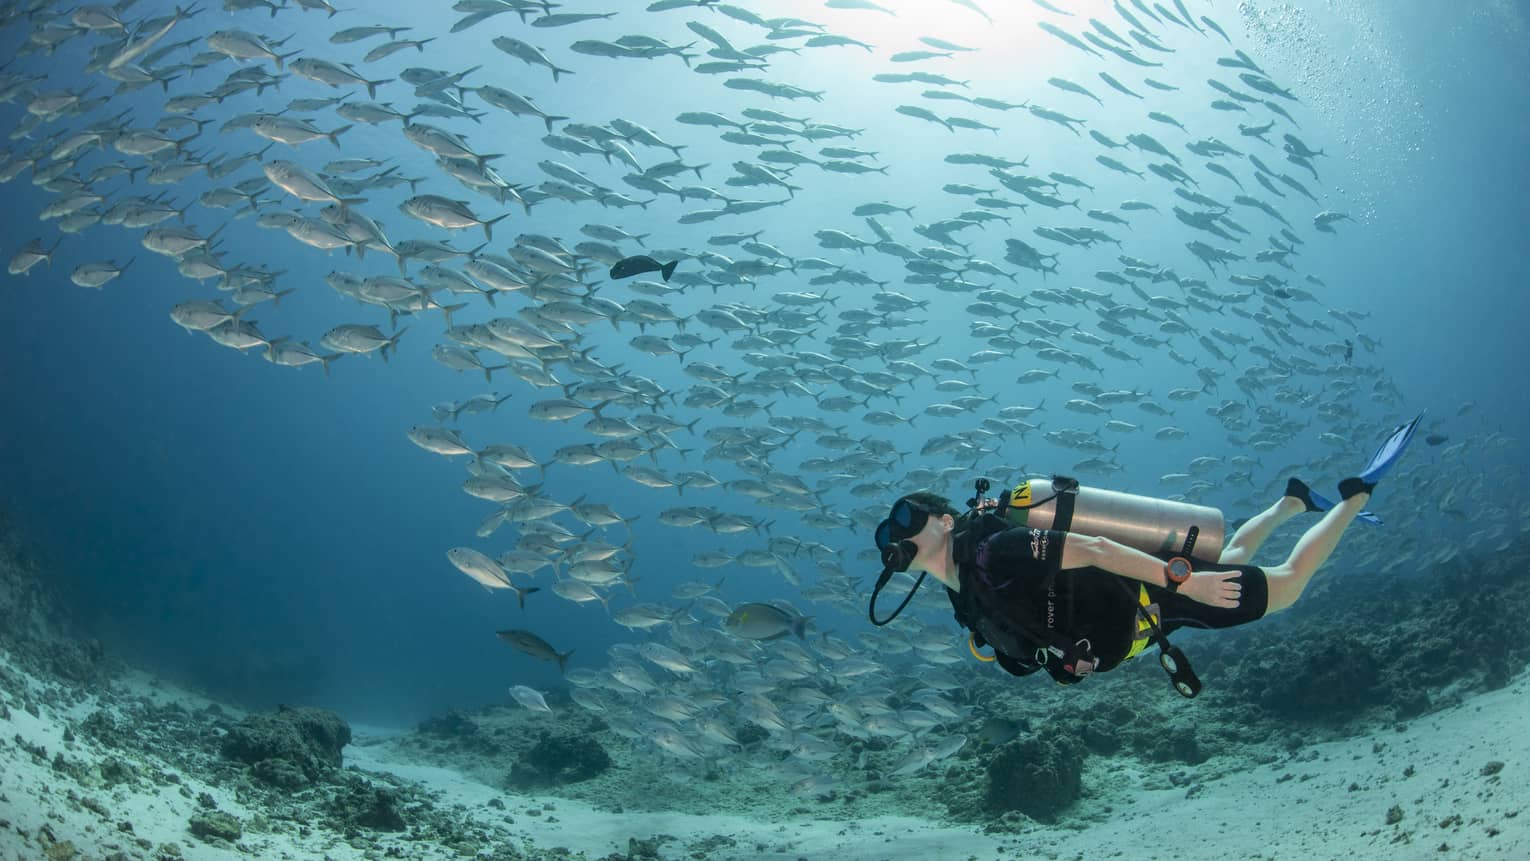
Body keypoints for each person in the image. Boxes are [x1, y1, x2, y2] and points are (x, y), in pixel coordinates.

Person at [870, 414, 1424, 692]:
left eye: (906, 519)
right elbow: (1028, 642)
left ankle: (1357, 495)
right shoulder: (962, 595)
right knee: (1228, 553)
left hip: (1153, 599)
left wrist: (1188, 584)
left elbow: (1092, 546)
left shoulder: (996, 553)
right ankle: (1291, 503)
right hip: (1133, 620)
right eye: (887, 536)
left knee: (1289, 584)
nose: (896, 538)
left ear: (946, 522)